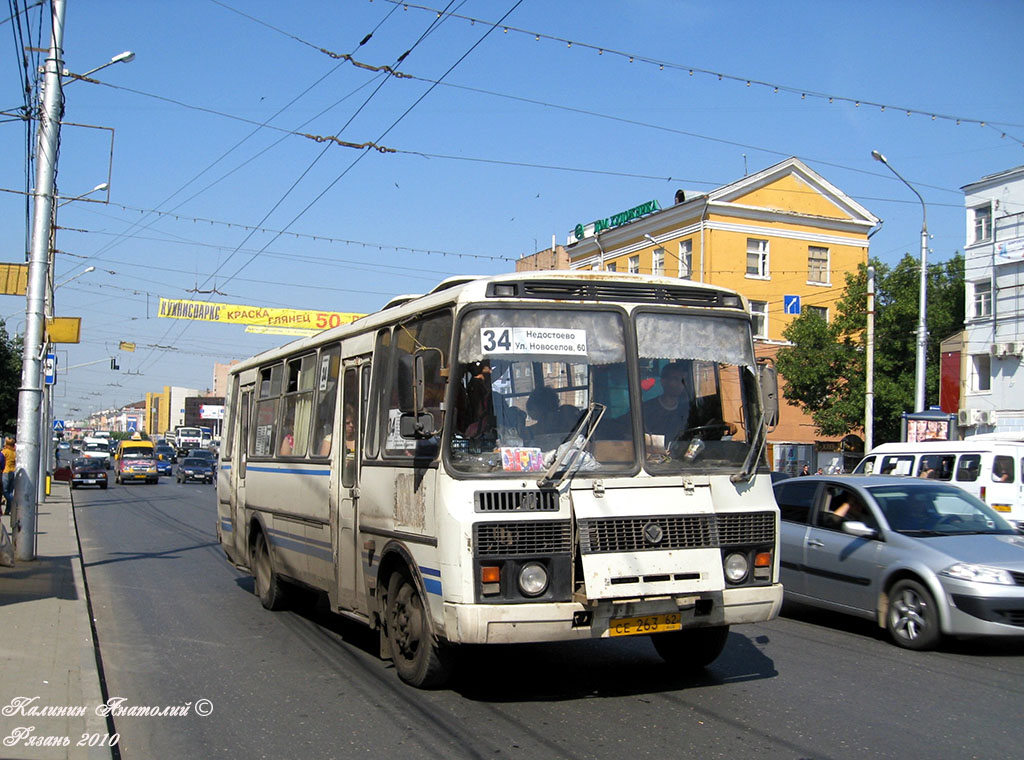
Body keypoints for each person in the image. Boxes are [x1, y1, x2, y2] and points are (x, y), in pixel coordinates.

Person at [642, 362, 691, 454]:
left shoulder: (687, 410)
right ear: (664, 381)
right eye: (676, 379)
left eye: (683, 380)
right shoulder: (646, 409)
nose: (681, 384)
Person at [2, 437, 15, 516]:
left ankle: (12, 501)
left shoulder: (5, 452)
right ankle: (8, 510)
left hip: (5, 472)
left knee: (4, 491)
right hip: (13, 472)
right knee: (10, 491)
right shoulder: (14, 453)